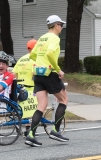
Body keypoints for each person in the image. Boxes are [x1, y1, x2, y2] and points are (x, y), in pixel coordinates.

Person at [25, 15, 69, 147]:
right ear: (56, 25)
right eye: (61, 25)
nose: (61, 27)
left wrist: (40, 63)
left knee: (41, 105)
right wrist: (58, 69)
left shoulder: (42, 38)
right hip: (49, 73)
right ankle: (56, 131)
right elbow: (50, 53)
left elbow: (32, 55)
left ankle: (31, 135)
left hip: (38, 74)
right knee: (64, 100)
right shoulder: (55, 38)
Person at [12, 39, 37, 137]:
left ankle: (19, 126)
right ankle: (28, 128)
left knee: (22, 108)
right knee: (31, 109)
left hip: (19, 87)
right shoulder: (35, 59)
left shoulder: (21, 59)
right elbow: (34, 74)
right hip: (31, 87)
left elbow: (14, 74)